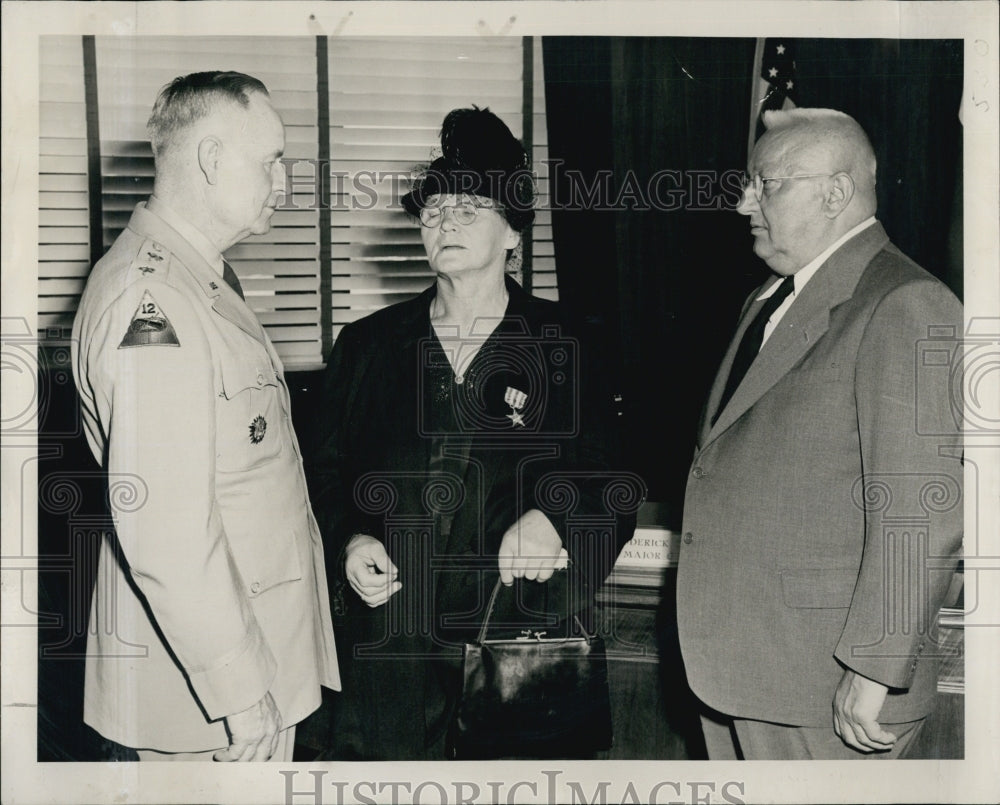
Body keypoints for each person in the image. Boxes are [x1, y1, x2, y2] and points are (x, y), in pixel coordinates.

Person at [308, 107, 639, 760]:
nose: (445, 222)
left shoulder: (568, 343)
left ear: (515, 232)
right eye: (433, 210)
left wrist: (557, 520)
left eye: (469, 207)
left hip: (514, 650)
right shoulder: (368, 346)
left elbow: (612, 482)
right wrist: (350, 536)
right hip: (387, 654)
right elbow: (320, 472)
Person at [676, 108, 963, 760]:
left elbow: (921, 505)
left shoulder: (904, 302)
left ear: (834, 193)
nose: (744, 200)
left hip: (827, 688)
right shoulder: (767, 299)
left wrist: (872, 667)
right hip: (744, 674)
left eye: (766, 183)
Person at [71, 71, 339, 761]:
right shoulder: (151, 299)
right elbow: (166, 526)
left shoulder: (199, 277)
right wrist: (240, 691)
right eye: (271, 159)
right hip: (210, 699)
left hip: (244, 662)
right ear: (212, 157)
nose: (284, 180)